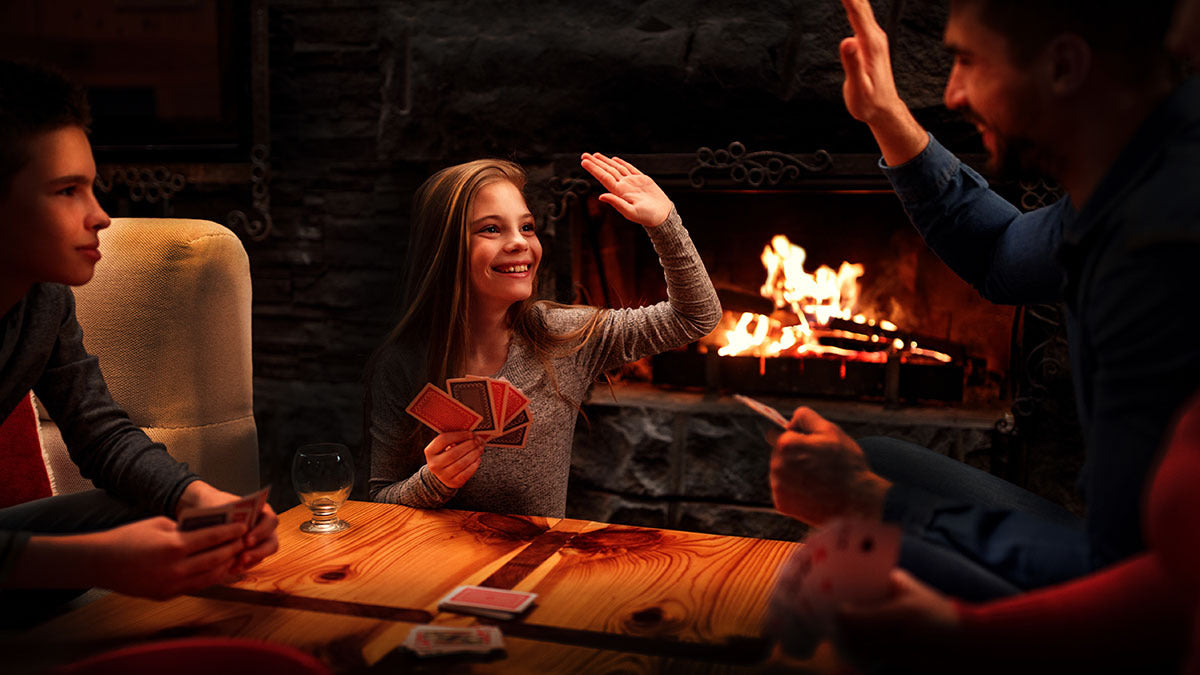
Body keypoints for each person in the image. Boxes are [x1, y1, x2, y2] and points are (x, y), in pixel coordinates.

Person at [770, 0, 1200, 600]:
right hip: (1131, 552)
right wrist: (885, 115)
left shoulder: (1160, 246)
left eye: (968, 61)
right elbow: (1000, 253)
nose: (951, 95)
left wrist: (872, 505)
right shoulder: (1123, 183)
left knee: (848, 553)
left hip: (1148, 589)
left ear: (1063, 67)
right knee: (875, 463)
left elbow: (1141, 583)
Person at [0, 60, 278, 609]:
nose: (100, 216)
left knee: (167, 514)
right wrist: (98, 561)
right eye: (66, 191)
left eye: (93, 188)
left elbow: (100, 435)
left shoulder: (45, 299)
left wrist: (200, 500)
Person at [367, 154, 721, 517]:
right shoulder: (402, 363)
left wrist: (665, 224)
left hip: (536, 559)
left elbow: (695, 317)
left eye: (527, 227)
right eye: (491, 229)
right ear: (444, 249)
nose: (519, 242)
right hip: (436, 565)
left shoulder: (566, 337)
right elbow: (380, 500)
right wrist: (433, 482)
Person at [831, 390, 1200, 674]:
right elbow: (1171, 575)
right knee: (877, 458)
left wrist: (966, 627)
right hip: (1149, 570)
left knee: (884, 562)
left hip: (1126, 598)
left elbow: (1120, 565)